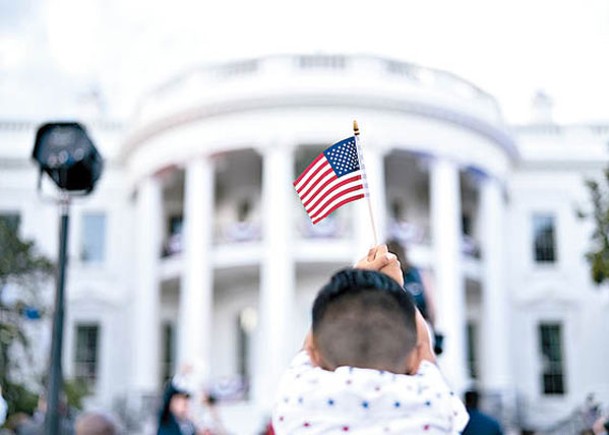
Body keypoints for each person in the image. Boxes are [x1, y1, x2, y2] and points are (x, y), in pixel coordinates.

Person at [272, 244, 468, 434]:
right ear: (415, 358)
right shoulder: (432, 405)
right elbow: (425, 347)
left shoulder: (299, 404)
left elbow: (309, 347)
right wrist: (397, 289)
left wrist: (356, 282)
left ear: (315, 355)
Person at [386, 238, 444, 355]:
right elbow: (431, 306)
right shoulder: (419, 274)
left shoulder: (385, 277)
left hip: (394, 329)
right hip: (420, 327)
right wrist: (432, 327)